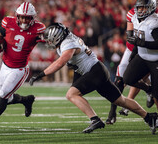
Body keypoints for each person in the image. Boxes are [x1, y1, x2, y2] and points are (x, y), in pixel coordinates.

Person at [29, 22, 158, 134]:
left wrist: (41, 74)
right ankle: (149, 117)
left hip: (94, 71)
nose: (49, 43)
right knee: (120, 100)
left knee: (71, 94)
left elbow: (60, 63)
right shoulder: (65, 38)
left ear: (58, 37)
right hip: (94, 70)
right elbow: (42, 39)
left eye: (51, 40)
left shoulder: (68, 44)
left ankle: (95, 119)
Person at [0, 2, 46, 134]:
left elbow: (50, 40)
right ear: (17, 16)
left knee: (2, 96)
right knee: (6, 97)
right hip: (5, 66)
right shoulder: (8, 22)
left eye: (27, 17)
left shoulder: (39, 29)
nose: (24, 20)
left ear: (33, 18)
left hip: (20, 69)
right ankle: (26, 100)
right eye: (22, 17)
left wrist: (50, 41)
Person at [106, 4, 154, 124]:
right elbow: (130, 36)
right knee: (120, 79)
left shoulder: (155, 17)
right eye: (140, 6)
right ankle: (112, 112)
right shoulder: (132, 13)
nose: (141, 9)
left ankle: (150, 91)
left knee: (147, 80)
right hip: (133, 49)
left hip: (151, 52)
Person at [123, 0, 158, 116]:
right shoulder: (134, 19)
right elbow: (138, 38)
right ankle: (148, 89)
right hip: (142, 57)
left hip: (155, 60)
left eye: (143, 8)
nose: (140, 10)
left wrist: (142, 43)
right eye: (139, 8)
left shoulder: (154, 22)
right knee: (127, 78)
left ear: (151, 7)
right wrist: (134, 52)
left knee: (157, 93)